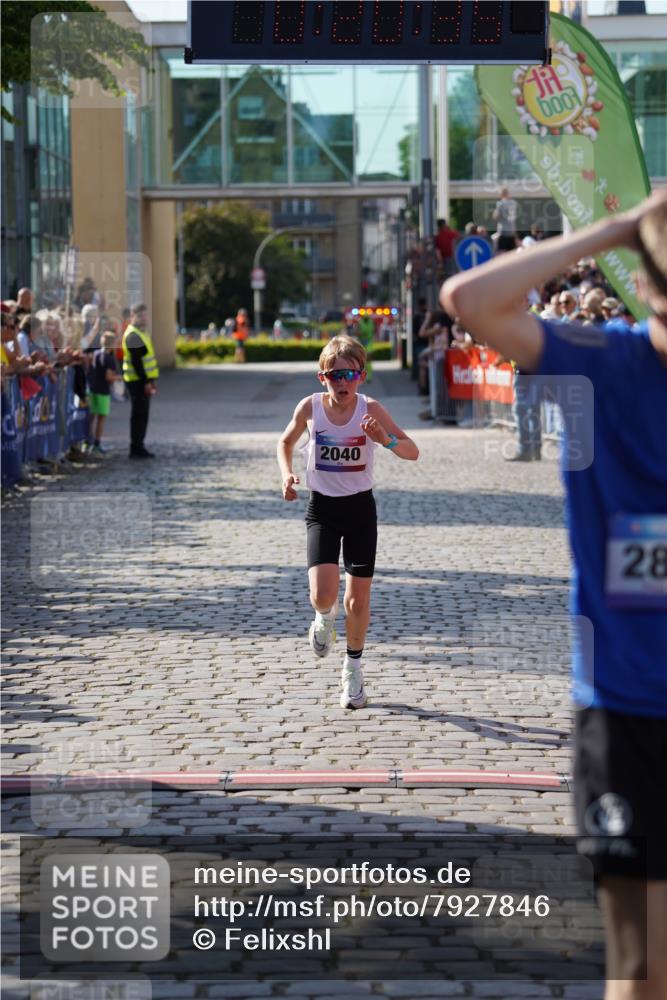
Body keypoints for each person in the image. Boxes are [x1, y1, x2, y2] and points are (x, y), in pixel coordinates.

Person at [441, 192, 667, 1000]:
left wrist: (616, 230)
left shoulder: (594, 354)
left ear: (638, 282)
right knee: (639, 967)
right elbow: (465, 300)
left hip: (621, 708)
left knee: (640, 968)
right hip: (626, 702)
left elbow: (470, 301)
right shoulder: (598, 359)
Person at [277, 334, 419, 709]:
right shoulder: (310, 408)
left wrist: (384, 439)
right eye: (334, 375)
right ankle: (324, 618)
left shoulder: (370, 409)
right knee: (322, 595)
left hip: (359, 511)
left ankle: (352, 671)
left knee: (358, 602)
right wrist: (286, 475)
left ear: (362, 376)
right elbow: (285, 442)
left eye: (350, 375)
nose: (342, 383)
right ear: (321, 377)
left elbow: (412, 451)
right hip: (322, 509)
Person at [122, 303, 159, 459]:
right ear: (132, 316)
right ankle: (136, 447)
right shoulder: (133, 335)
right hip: (137, 381)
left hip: (142, 380)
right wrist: (146, 382)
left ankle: (139, 446)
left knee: (142, 415)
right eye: (140, 315)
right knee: (139, 415)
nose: (144, 318)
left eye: (145, 315)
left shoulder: (141, 333)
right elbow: (137, 363)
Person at [87, 331, 119, 454]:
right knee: (101, 418)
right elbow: (109, 377)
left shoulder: (95, 354)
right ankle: (97, 443)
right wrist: (119, 378)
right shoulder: (109, 358)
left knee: (92, 417)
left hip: (93, 388)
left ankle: (87, 441)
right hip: (103, 391)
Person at [492, 186, 519, 253]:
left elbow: (495, 216)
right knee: (512, 254)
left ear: (501, 194)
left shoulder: (500, 204)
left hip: (503, 232)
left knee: (502, 254)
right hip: (512, 232)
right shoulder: (513, 203)